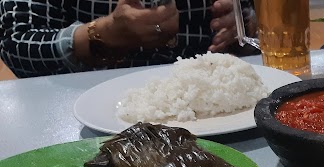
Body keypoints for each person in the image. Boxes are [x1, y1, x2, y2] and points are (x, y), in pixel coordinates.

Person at [0, 0, 253, 78]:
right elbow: (17, 45)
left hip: (225, 99)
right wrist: (101, 34)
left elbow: (259, 19)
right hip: (85, 115)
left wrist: (247, 21)